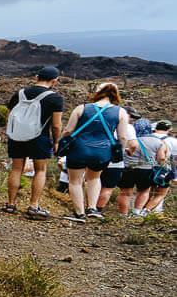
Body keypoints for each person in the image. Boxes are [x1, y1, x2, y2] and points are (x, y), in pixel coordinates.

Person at [60, 81, 136, 222]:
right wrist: (119, 150)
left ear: (97, 92)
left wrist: (61, 142)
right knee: (94, 178)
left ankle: (79, 213)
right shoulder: (121, 112)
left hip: (79, 150)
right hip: (102, 152)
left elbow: (69, 130)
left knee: (75, 181)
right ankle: (92, 208)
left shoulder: (81, 108)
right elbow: (123, 136)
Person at [2, 66, 64, 220]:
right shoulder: (55, 98)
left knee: (16, 169)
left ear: (36, 77)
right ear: (54, 81)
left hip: (17, 137)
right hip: (40, 138)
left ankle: (10, 204)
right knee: (40, 171)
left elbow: (9, 117)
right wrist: (56, 142)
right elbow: (56, 125)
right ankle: (33, 205)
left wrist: (12, 133)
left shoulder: (20, 94)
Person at [120, 118, 170, 216]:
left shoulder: (128, 140)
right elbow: (161, 158)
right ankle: (137, 212)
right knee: (143, 191)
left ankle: (123, 214)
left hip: (127, 169)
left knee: (125, 193)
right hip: (146, 170)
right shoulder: (157, 141)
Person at [147, 119, 176, 214]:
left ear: (155, 127)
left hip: (146, 167)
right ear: (170, 128)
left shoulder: (146, 138)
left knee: (146, 191)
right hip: (164, 169)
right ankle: (149, 211)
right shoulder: (172, 141)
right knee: (161, 193)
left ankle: (138, 210)